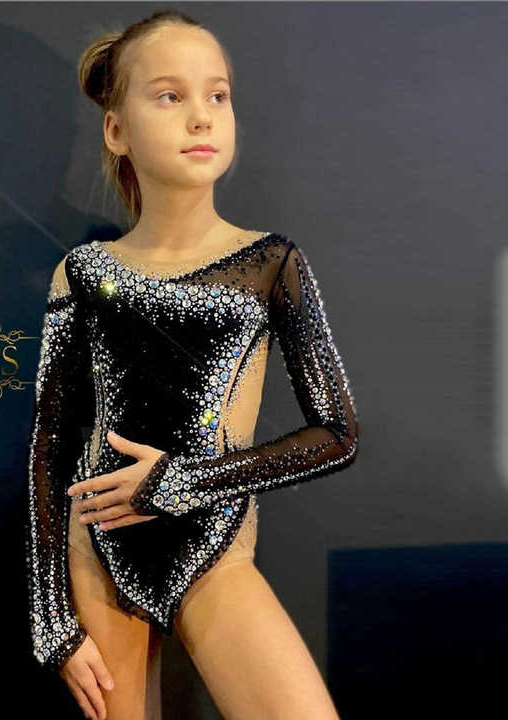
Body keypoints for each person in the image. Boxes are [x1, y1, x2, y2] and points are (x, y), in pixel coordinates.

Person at [23, 9, 360, 720]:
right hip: (98, 555)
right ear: (116, 130)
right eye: (170, 96)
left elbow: (337, 434)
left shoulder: (270, 262)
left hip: (216, 553)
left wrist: (179, 483)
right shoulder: (83, 273)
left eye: (218, 95)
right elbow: (50, 444)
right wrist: (50, 617)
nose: (201, 116)